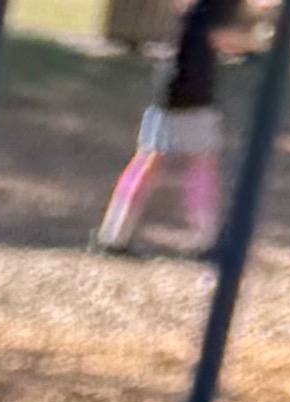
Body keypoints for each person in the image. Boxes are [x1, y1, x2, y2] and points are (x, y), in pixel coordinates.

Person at [97, 0, 245, 250]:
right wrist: (264, 41)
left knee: (150, 160)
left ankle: (114, 232)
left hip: (173, 85)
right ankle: (204, 238)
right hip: (192, 91)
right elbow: (221, 37)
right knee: (200, 161)